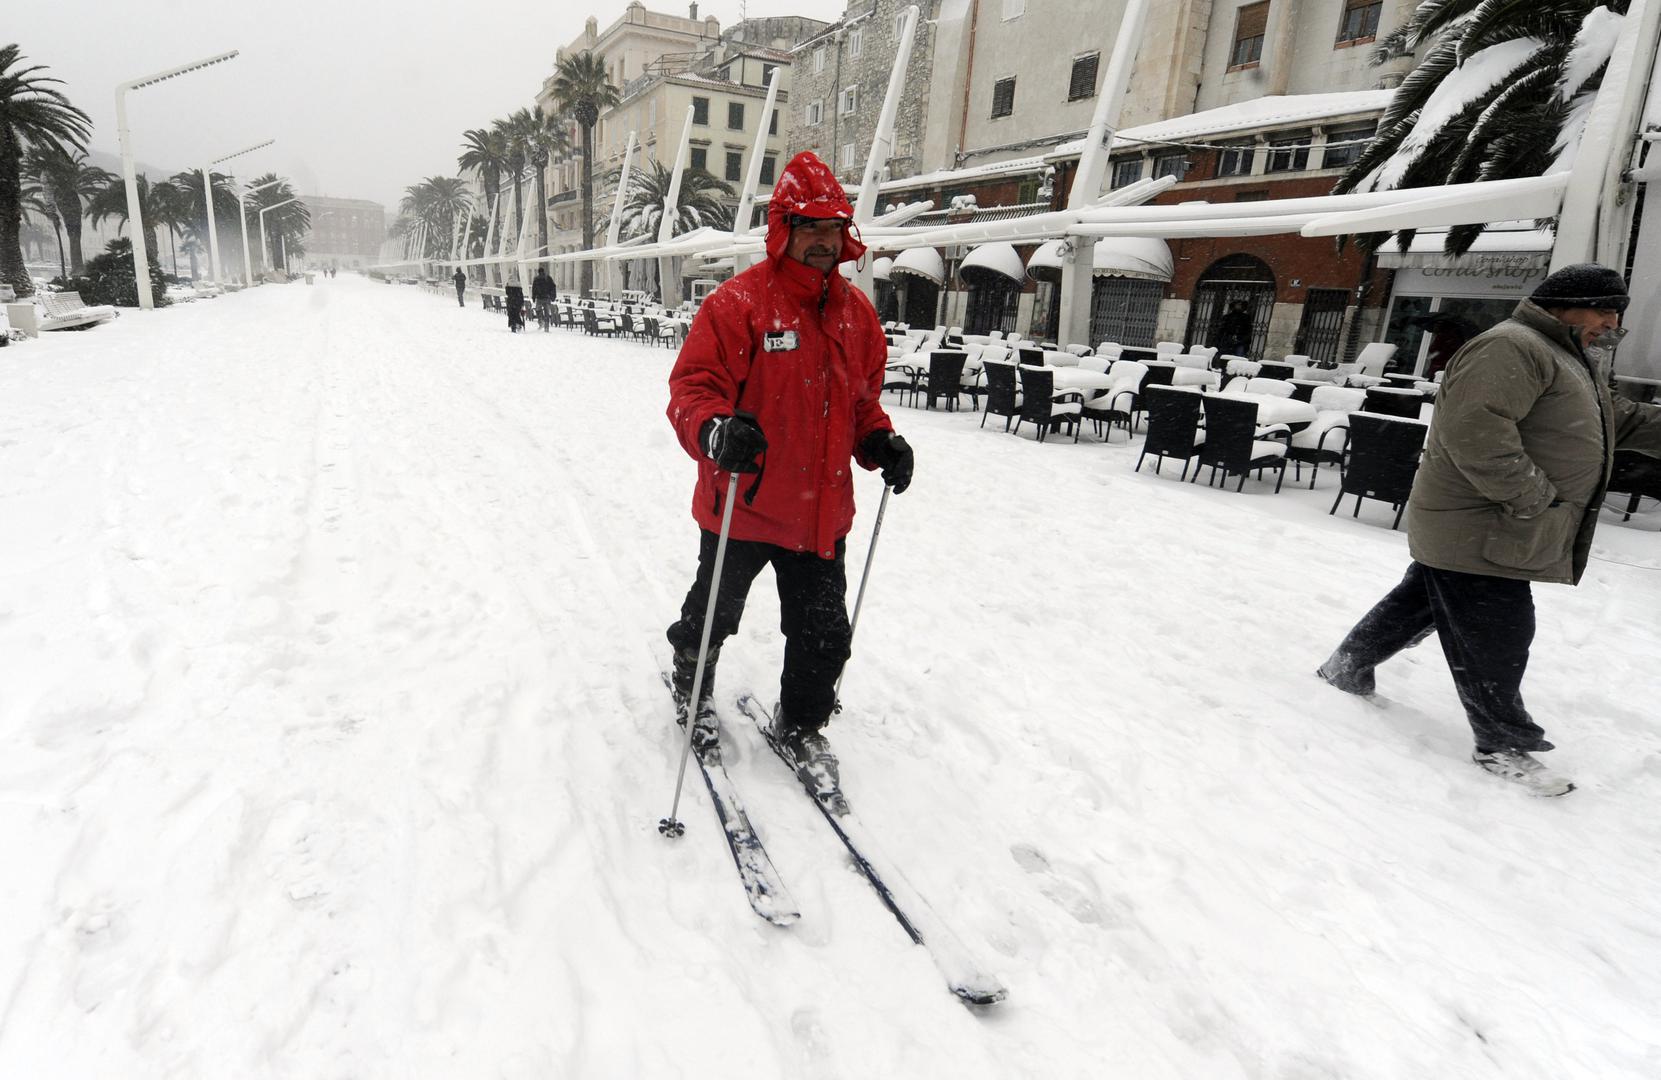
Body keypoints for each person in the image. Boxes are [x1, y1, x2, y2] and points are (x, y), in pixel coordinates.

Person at [1317, 264, 1661, 796]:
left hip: (1485, 525)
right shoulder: (1512, 347)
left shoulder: (1566, 357)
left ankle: (1347, 666)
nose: (1611, 324)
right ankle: (1502, 742)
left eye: (1618, 314)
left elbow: (1622, 419)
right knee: (1498, 632)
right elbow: (1475, 430)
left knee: (1423, 600)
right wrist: (1532, 499)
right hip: (1485, 522)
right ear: (1567, 304)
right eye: (1604, 310)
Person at [663, 150, 914, 787]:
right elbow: (692, 388)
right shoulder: (738, 303)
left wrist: (879, 441)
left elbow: (861, 402)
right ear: (784, 232)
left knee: (826, 638)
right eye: (809, 229)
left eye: (833, 230)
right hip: (743, 507)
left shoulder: (857, 315)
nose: (823, 243)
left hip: (821, 513)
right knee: (711, 617)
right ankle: (691, 689)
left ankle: (801, 723)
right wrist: (717, 428)